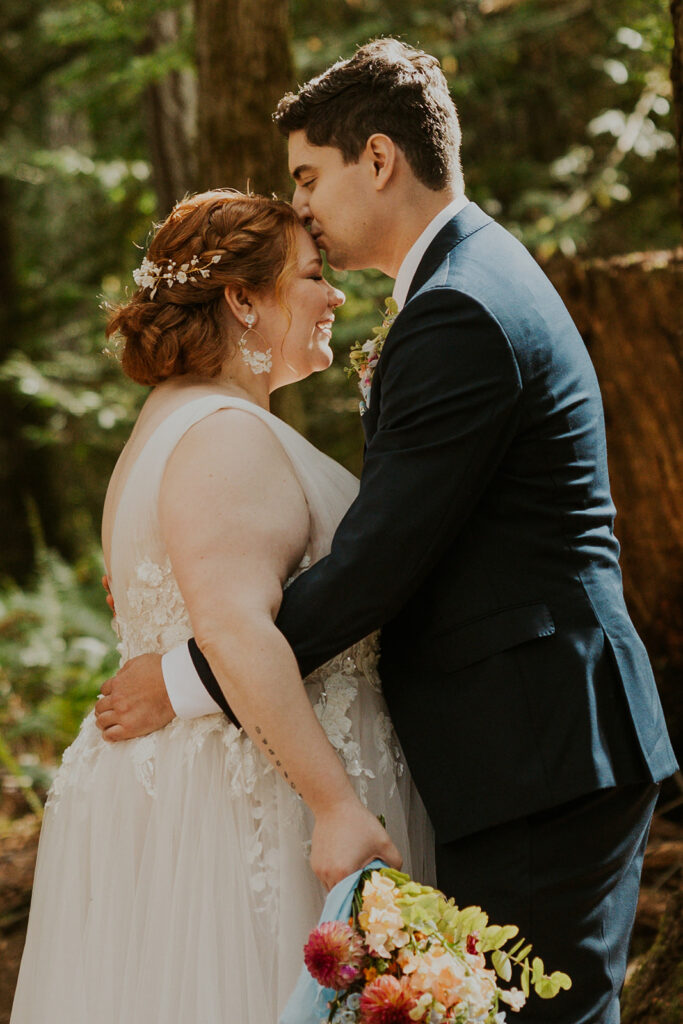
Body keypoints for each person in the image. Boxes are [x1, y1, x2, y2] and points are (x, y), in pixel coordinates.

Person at [100, 40, 679, 1023]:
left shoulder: (457, 308)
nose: (305, 204)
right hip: (526, 749)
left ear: (378, 159)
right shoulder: (461, 280)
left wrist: (189, 677)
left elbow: (373, 568)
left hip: (536, 755)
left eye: (308, 176)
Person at [10, 189, 434, 1024]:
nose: (335, 295)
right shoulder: (223, 436)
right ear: (243, 299)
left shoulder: (175, 424)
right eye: (312, 276)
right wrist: (335, 807)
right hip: (250, 807)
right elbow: (234, 628)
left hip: (209, 787)